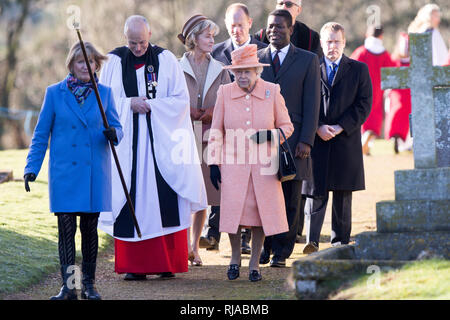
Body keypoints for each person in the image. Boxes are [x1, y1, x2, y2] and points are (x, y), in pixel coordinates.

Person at [98, 15, 207, 280]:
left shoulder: (166, 59)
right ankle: (135, 267)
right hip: (129, 149)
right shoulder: (113, 61)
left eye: (142, 42)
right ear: (126, 38)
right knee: (130, 194)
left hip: (160, 142)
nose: (137, 48)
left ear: (150, 35)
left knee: (164, 199)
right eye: (133, 43)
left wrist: (151, 105)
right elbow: (105, 101)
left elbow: (181, 101)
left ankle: (166, 263)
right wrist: (128, 104)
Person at [24, 41, 123, 300]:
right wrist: (31, 168)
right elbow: (40, 134)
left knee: (89, 232)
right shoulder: (54, 93)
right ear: (71, 64)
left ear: (97, 65)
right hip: (65, 175)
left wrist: (115, 133)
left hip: (93, 176)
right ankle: (69, 287)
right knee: (66, 233)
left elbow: (116, 127)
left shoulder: (105, 94)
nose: (86, 67)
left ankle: (89, 285)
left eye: (91, 62)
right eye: (81, 62)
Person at [208, 44, 294, 281]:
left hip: (264, 165)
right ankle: (235, 258)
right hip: (233, 164)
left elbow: (287, 127)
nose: (243, 76)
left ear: (258, 71)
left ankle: (255, 262)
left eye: (248, 71)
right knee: (233, 214)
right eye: (238, 72)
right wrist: (214, 163)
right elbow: (216, 130)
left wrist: (271, 135)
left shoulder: (272, 91)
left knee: (261, 215)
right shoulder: (225, 92)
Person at [302, 22, 373, 254]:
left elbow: (364, 105)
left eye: (336, 41)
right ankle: (311, 241)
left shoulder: (358, 69)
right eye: (328, 41)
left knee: (343, 194)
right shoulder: (311, 67)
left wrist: (341, 126)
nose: (332, 46)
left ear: (344, 43)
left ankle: (340, 242)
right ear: (321, 43)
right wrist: (318, 127)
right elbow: (304, 104)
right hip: (318, 140)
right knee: (315, 192)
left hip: (346, 140)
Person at [257, 9, 320, 267]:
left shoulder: (307, 60)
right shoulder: (257, 59)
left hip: (295, 142)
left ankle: (282, 251)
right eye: (271, 27)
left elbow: (312, 103)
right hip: (261, 141)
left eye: (280, 27)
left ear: (291, 29)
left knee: (290, 197)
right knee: (264, 197)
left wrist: (307, 140)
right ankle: (265, 246)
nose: (274, 31)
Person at [209, 2, 267, 255]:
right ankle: (215, 234)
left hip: (257, 138)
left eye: (240, 25)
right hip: (226, 132)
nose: (236, 30)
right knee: (226, 188)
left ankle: (248, 243)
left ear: (250, 24)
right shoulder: (216, 53)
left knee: (253, 195)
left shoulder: (264, 54)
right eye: (232, 25)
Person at [178, 14, 231, 266]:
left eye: (213, 36)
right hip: (181, 137)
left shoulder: (221, 69)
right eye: (207, 35)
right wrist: (187, 111)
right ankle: (179, 246)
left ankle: (193, 247)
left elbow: (229, 100)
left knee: (203, 194)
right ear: (193, 38)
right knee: (182, 192)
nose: (212, 40)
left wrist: (210, 112)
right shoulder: (177, 67)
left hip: (209, 137)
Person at [350, 25, 395, 155]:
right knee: (375, 117)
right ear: (381, 36)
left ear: (367, 35)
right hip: (378, 90)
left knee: (362, 116)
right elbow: (392, 70)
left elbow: (350, 68)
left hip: (360, 90)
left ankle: (364, 143)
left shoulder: (361, 52)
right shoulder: (385, 53)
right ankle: (368, 144)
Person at [254, 0, 322, 58]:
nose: (283, 7)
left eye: (288, 4)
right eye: (280, 3)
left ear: (298, 10)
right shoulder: (261, 36)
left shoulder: (311, 37)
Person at [384, 32, 412, 153]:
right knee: (395, 113)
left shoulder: (415, 63)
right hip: (397, 93)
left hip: (410, 94)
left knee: (408, 116)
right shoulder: (394, 61)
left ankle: (405, 141)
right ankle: (394, 137)